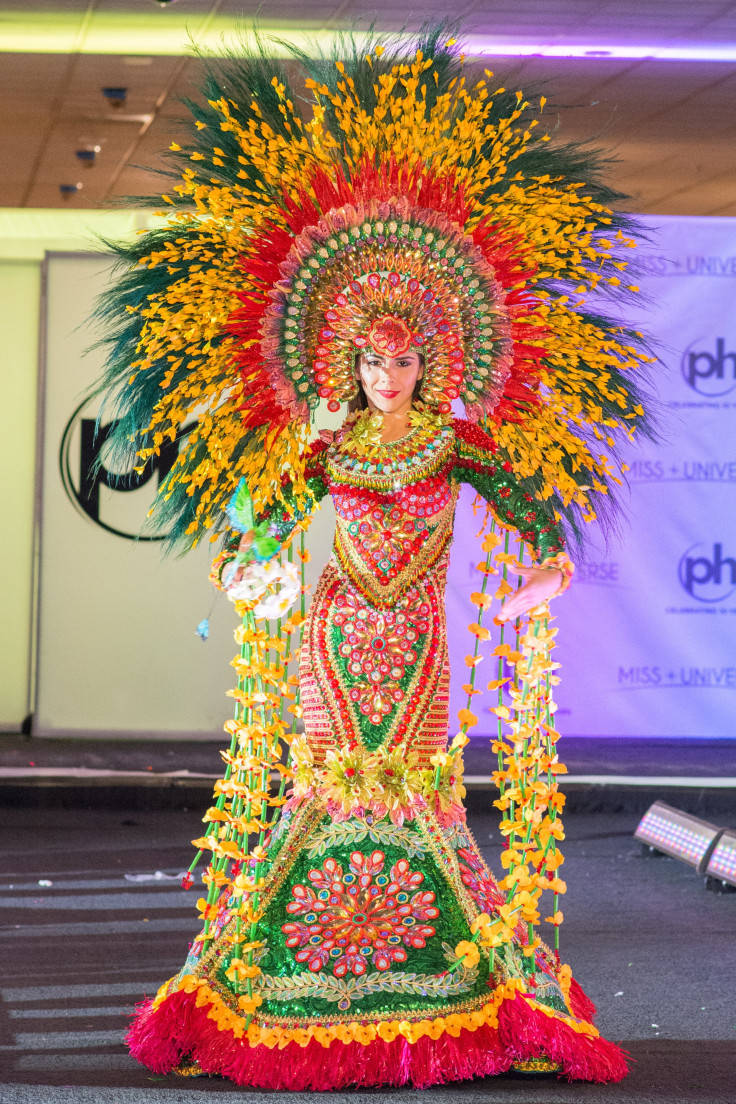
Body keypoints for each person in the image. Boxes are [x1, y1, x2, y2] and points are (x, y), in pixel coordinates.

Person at [95, 28, 651, 1090]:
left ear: (425, 360)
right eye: (371, 359)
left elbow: (539, 520)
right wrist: (248, 575)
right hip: (337, 636)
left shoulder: (458, 438)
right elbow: (254, 535)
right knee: (326, 795)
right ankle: (271, 987)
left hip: (421, 644)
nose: (387, 375)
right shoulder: (323, 444)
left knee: (422, 799)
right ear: (346, 360)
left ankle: (455, 991)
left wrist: (544, 577)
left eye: (401, 359)